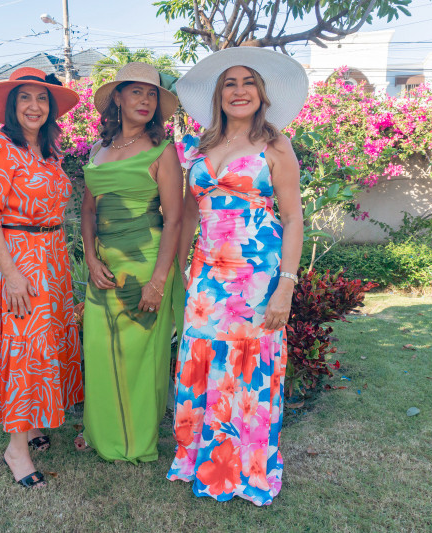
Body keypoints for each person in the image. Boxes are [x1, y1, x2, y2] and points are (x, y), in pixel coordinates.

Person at [166, 48, 309, 505]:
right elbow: (188, 213)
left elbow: (293, 219)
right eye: (230, 83)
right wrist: (183, 266)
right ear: (219, 95)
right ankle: (201, 463)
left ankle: (246, 470)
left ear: (262, 94)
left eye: (248, 82)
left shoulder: (276, 145)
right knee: (203, 367)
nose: (240, 90)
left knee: (247, 374)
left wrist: (286, 284)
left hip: (256, 281)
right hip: (207, 281)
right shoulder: (198, 147)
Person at [0, 67, 83, 489]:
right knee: (24, 348)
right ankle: (16, 448)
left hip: (52, 257)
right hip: (19, 260)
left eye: (42, 98)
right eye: (25, 98)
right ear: (12, 105)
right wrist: (11, 273)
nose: (34, 106)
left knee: (45, 342)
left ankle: (31, 425)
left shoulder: (49, 150)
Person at [77, 62, 184, 464]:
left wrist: (159, 281)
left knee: (140, 356)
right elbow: (88, 211)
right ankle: (103, 434)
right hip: (102, 269)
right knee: (103, 352)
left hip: (145, 268)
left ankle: (135, 442)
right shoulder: (98, 152)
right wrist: (89, 257)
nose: (145, 100)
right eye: (136, 91)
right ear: (117, 98)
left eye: (152, 93)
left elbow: (174, 219)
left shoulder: (162, 151)